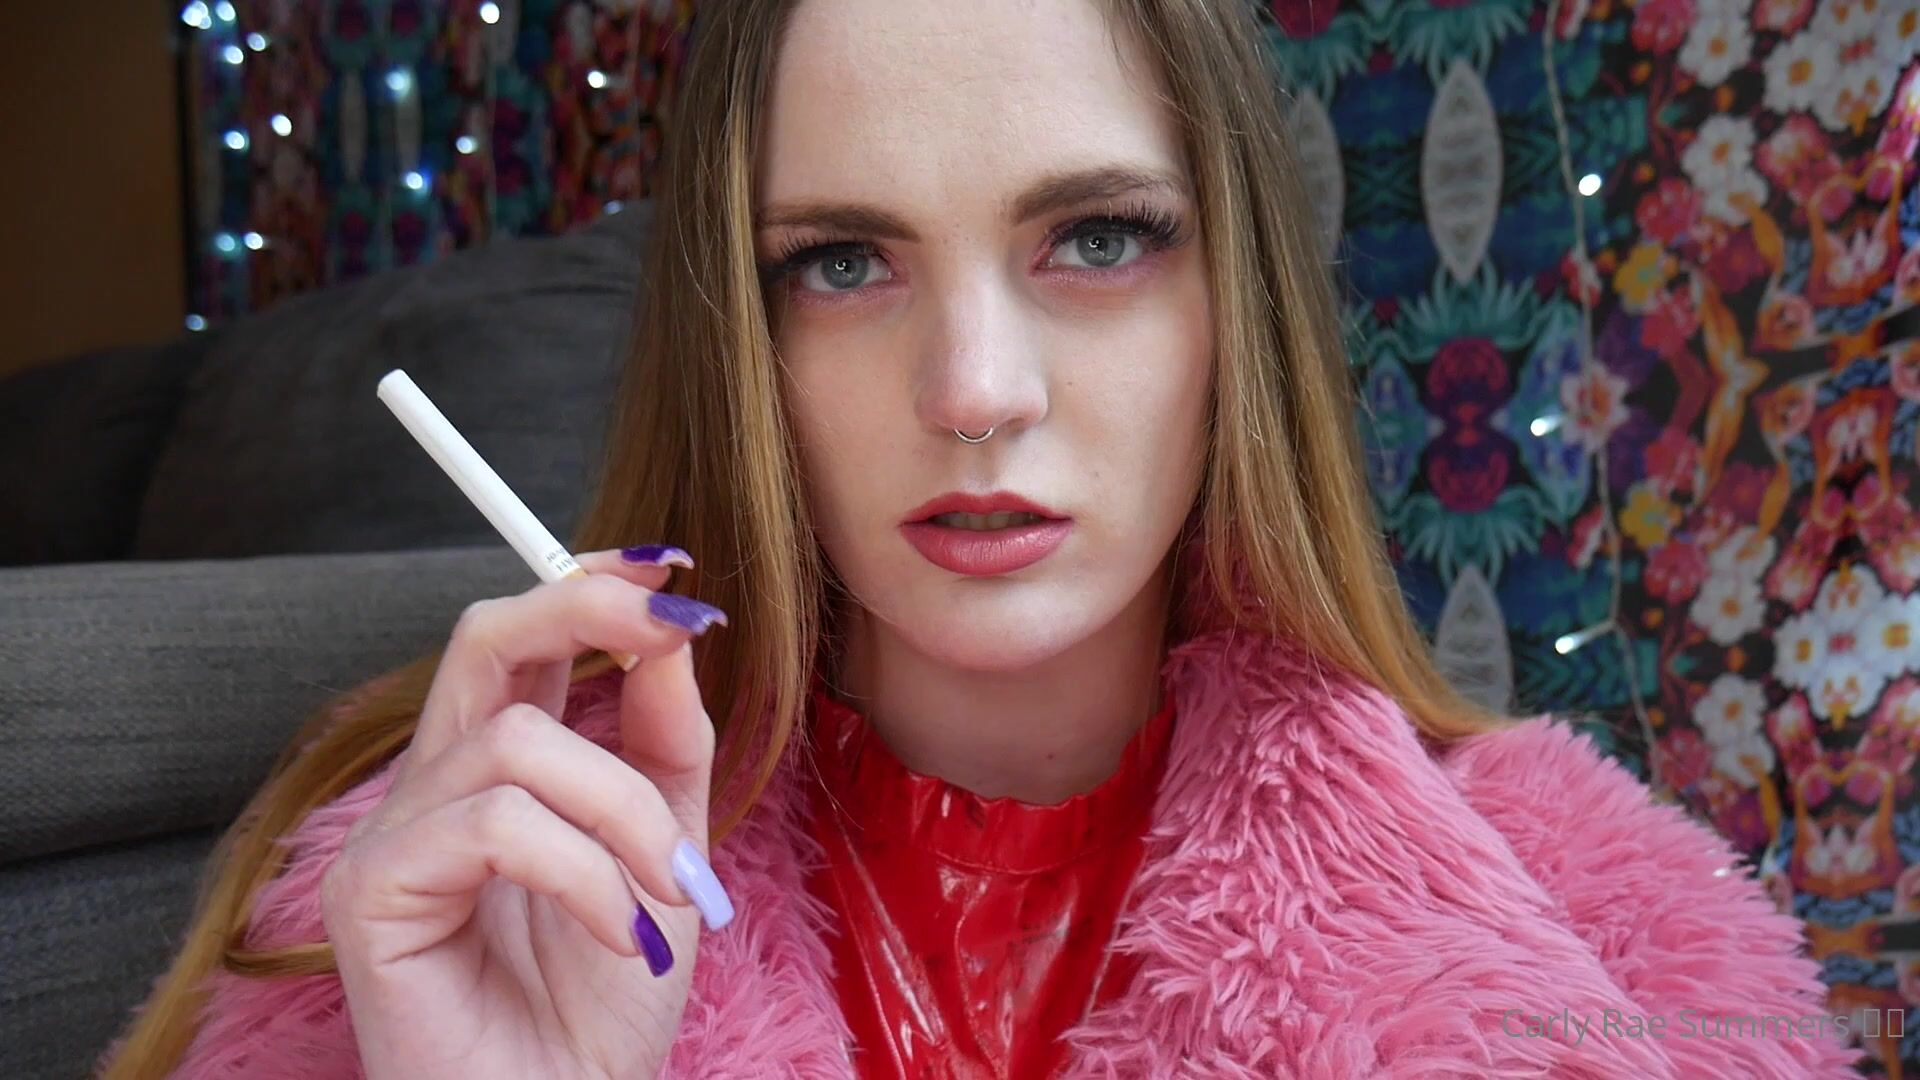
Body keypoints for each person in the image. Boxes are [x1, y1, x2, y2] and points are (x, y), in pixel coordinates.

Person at [102, 0, 1860, 1076]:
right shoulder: (443, 910)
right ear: (742, 340)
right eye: (842, 262)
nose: (973, 391)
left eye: (1096, 239)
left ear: (1238, 309)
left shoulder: (1617, 952)